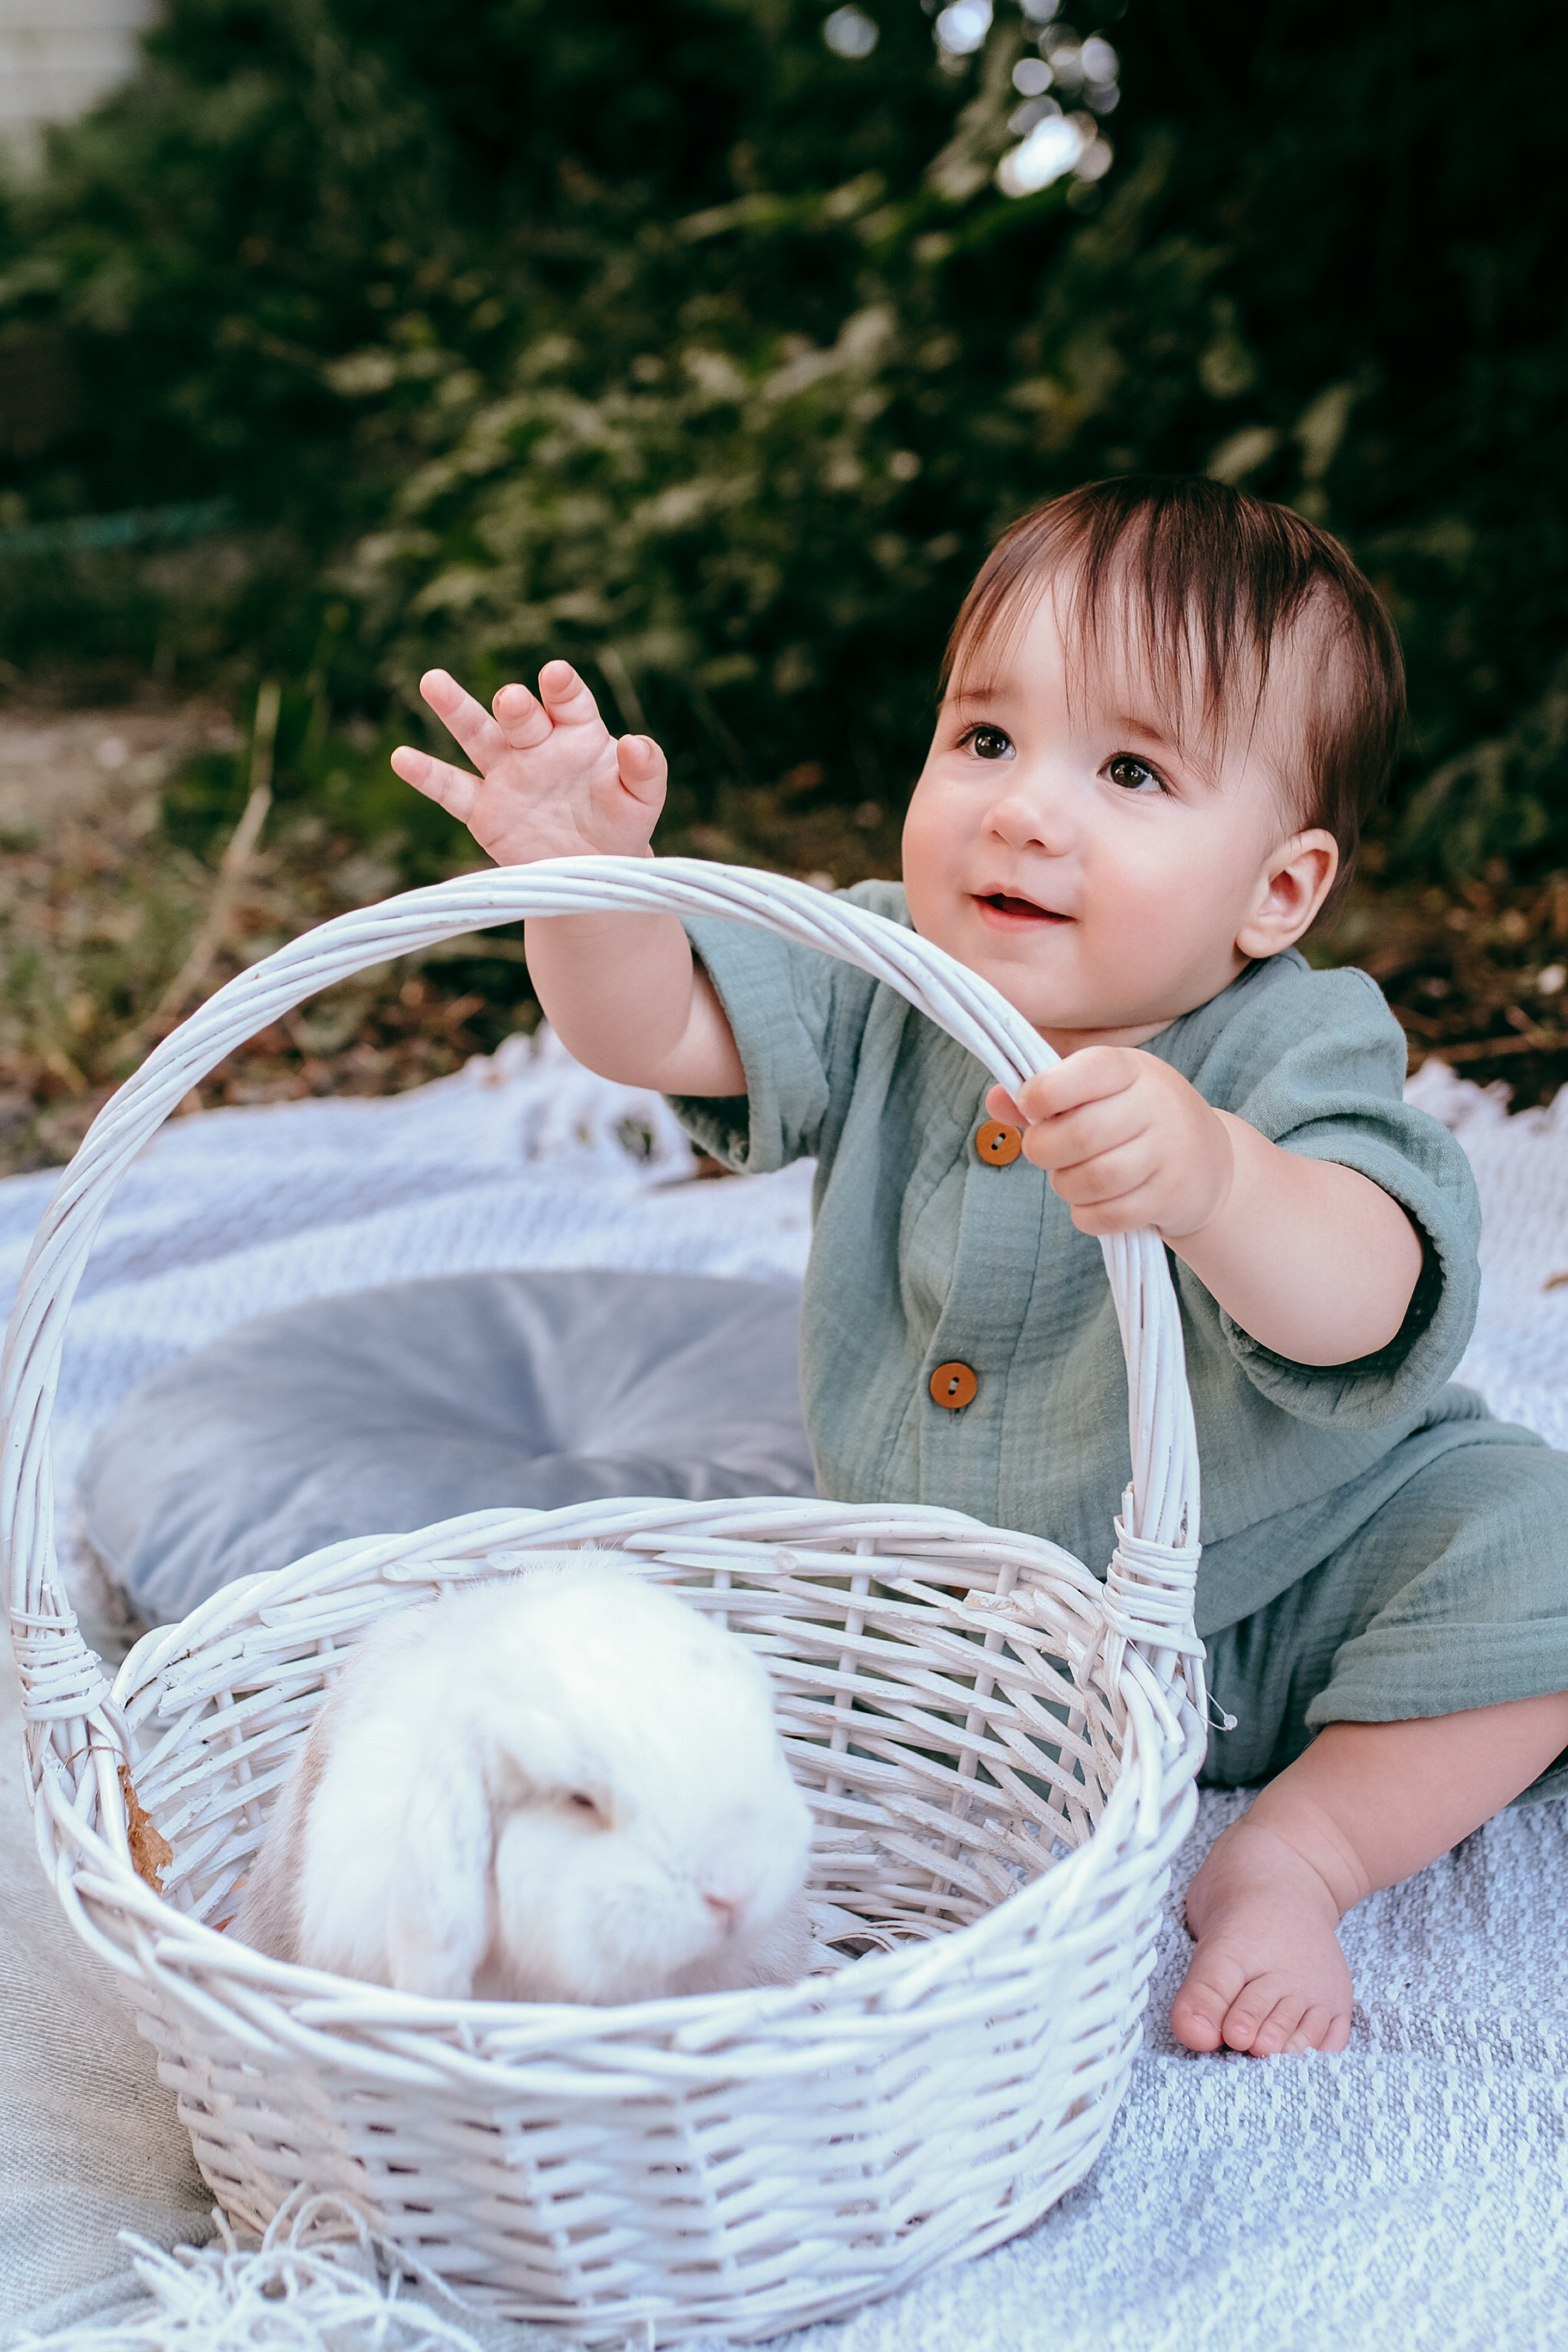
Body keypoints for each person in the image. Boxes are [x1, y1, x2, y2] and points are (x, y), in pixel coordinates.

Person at [391, 475, 1568, 2058]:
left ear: (1276, 892)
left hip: (1302, 1581)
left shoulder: (1293, 1036)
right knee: (738, 1681)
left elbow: (1373, 1291)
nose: (1023, 808)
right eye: (984, 740)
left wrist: (1220, 1179)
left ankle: (1298, 1853)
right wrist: (589, 883)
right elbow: (648, 1025)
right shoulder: (887, 974)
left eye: (1133, 768)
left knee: (1536, 1548)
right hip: (968, 1622)